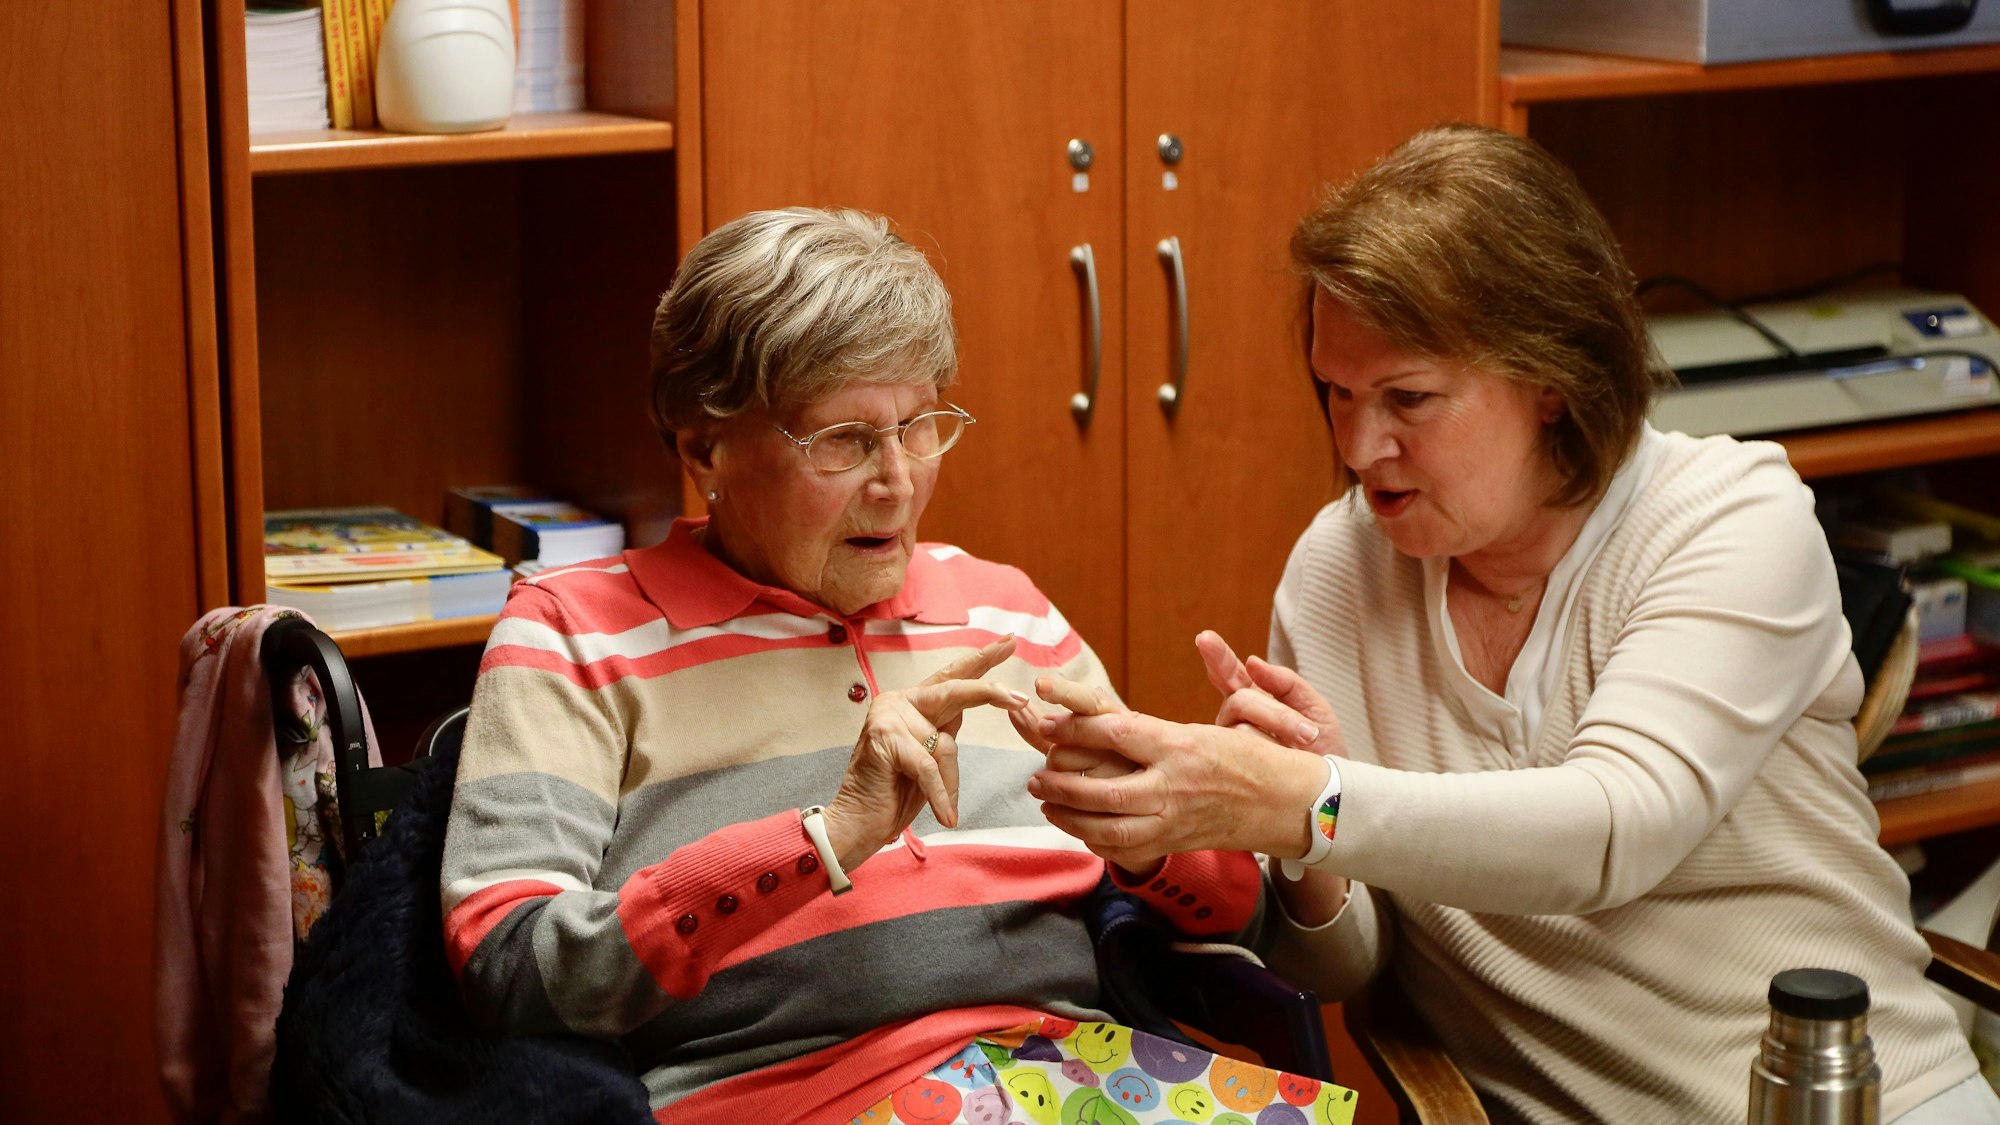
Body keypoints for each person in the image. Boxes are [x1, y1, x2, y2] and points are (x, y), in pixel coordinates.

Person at [1023, 124, 2000, 1124]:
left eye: (1408, 398)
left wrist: (1307, 801)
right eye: (1335, 392)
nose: (1359, 447)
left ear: (1549, 382)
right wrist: (1307, 858)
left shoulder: (1728, 515)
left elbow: (1612, 829)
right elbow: (1341, 968)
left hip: (1852, 1101)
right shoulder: (1336, 567)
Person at [438, 207, 1347, 1125]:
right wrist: (822, 838)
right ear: (702, 445)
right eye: (842, 439)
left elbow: (1238, 931)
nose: (898, 479)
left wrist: (1187, 827)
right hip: (787, 1099)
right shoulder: (574, 630)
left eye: (920, 426)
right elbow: (508, 968)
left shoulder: (1005, 607)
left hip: (1085, 1082)